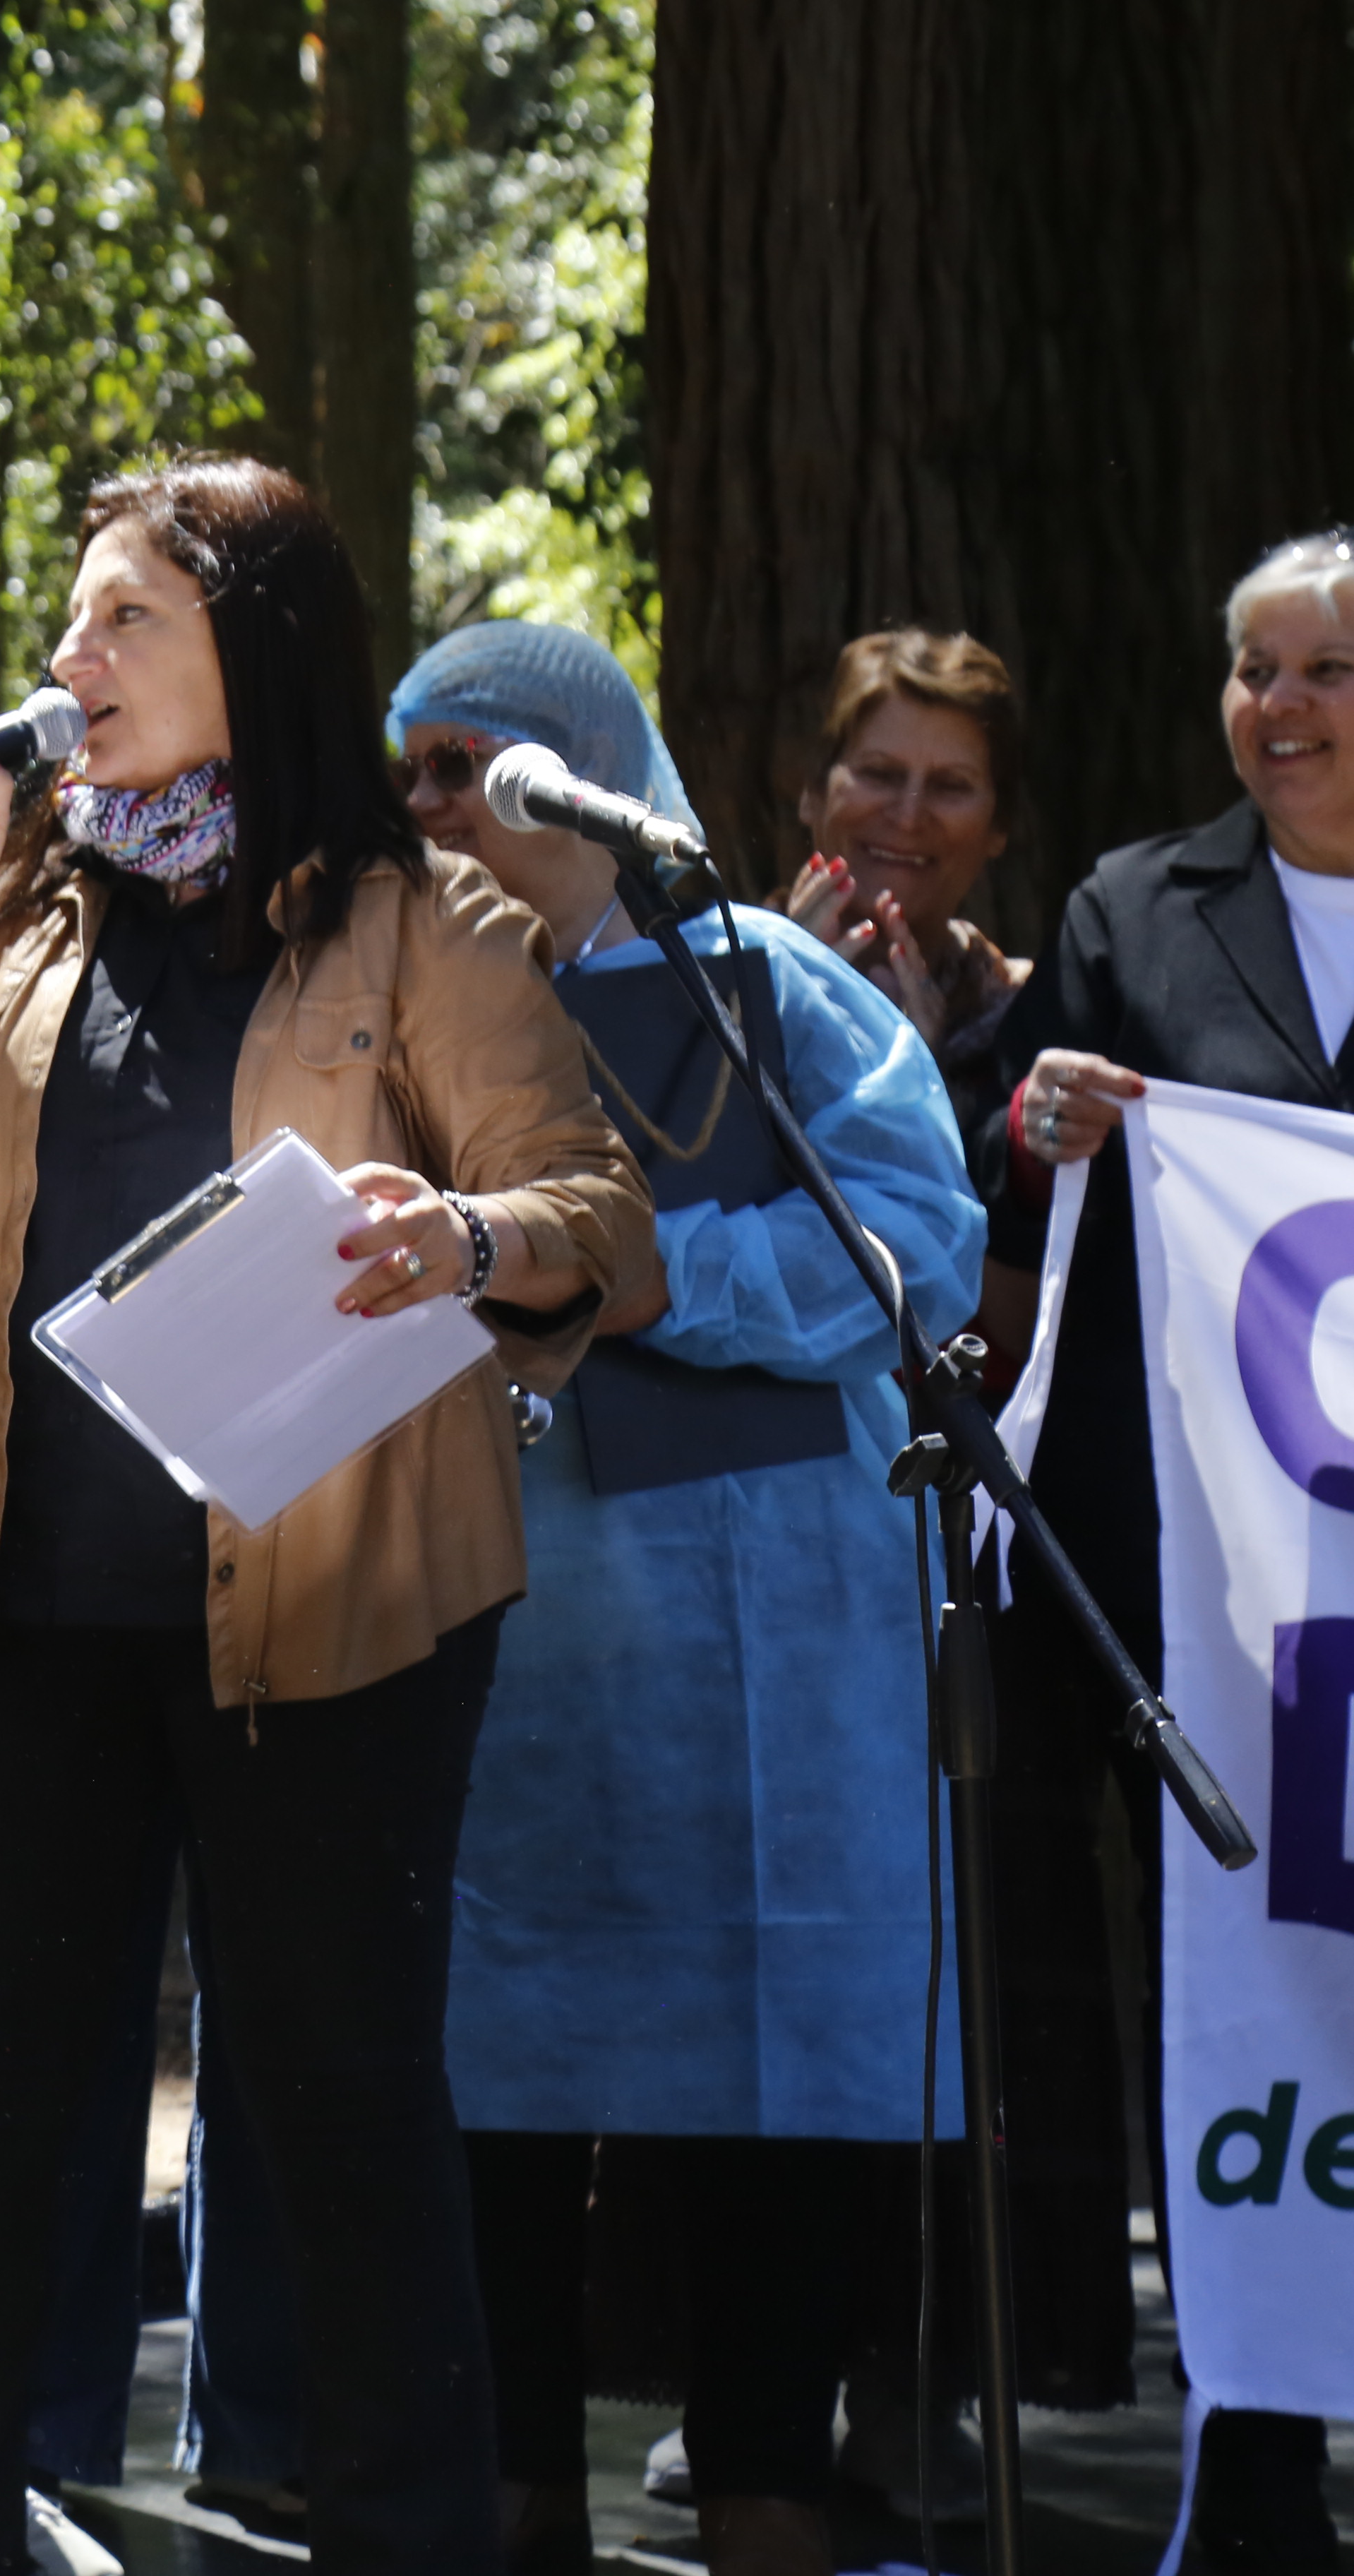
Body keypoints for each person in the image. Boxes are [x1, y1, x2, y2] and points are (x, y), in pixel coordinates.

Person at [0, 455, 654, 2575]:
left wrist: (460, 1235)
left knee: (339, 2105)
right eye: (72, 621)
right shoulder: (22, 896)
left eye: (126, 626)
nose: (70, 663)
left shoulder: (420, 917)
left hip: (337, 1605)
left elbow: (603, 1223)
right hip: (7, 1597)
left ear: (254, 656)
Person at [390, 617, 986, 2576]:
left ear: (573, 774)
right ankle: (514, 2506)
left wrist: (643, 1277)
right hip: (503, 1652)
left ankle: (770, 2502)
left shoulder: (777, 996)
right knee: (484, 2097)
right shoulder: (396, 1012)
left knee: (771, 2121)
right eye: (399, 771)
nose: (422, 808)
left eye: (458, 763)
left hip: (777, 1668)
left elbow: (914, 1255)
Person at [981, 528, 1354, 2575]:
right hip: (1213, 1594)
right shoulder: (1136, 906)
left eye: (1325, 672)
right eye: (1253, 669)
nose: (1280, 708)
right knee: (1237, 1990)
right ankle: (1263, 2445)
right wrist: (1039, 1117)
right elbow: (1027, 1191)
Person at [777, 630, 1032, 1133]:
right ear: (812, 790)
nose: (910, 815)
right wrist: (777, 1003)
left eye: (950, 786)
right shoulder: (703, 984)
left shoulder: (1033, 1021)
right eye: (880, 775)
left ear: (999, 827)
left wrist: (926, 1088)